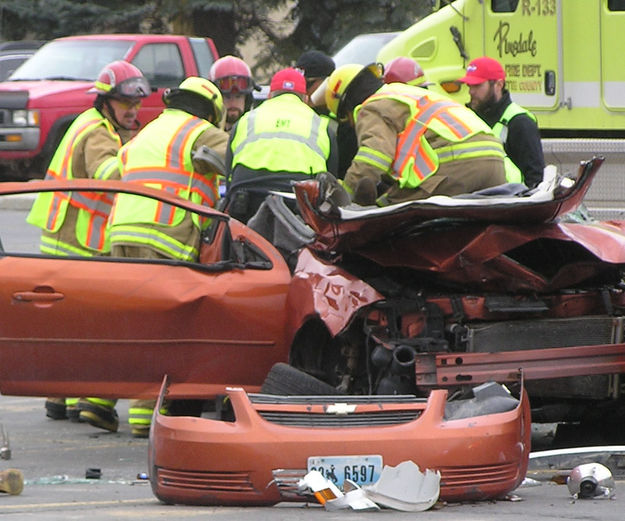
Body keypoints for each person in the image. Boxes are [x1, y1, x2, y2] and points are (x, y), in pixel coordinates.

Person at [26, 60, 151, 425]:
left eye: (137, 104)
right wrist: (140, 157)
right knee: (87, 326)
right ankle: (80, 397)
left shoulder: (92, 123)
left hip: (65, 235)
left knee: (65, 327)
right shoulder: (98, 133)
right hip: (79, 241)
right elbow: (109, 175)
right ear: (106, 101)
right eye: (126, 104)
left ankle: (59, 399)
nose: (133, 111)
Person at [324, 63, 507, 206]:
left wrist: (346, 193)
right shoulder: (406, 93)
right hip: (495, 162)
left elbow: (374, 157)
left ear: (347, 107)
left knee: (389, 211)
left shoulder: (371, 106)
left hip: (459, 166)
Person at [223, 67, 339, 223]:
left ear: (269, 96)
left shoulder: (246, 120)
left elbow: (229, 175)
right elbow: (330, 181)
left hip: (246, 200)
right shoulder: (322, 126)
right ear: (305, 99)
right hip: (298, 203)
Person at [458, 56, 545, 188]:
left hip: (510, 202)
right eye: (469, 86)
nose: (471, 92)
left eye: (477, 86)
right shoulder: (468, 117)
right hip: (475, 199)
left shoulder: (520, 122)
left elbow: (535, 177)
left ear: (499, 85)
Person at [209, 55, 256, 133]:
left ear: (247, 100)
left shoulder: (254, 132)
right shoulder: (205, 134)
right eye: (227, 97)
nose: (233, 103)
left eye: (238, 97)